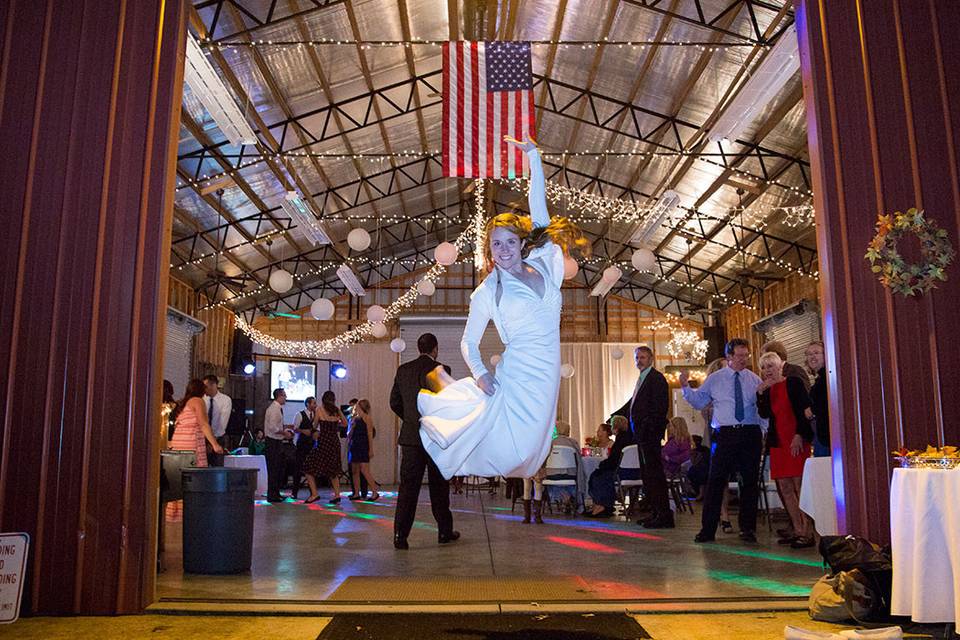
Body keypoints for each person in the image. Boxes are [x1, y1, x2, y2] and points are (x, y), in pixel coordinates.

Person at [416, 135, 590, 480]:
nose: (504, 249)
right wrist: (481, 375)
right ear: (489, 249)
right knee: (520, 449)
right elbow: (469, 342)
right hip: (521, 371)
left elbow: (539, 207)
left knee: (534, 446)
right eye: (497, 244)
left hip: (548, 369)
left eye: (510, 242)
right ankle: (457, 410)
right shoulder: (487, 291)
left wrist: (535, 159)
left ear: (522, 244)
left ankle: (451, 390)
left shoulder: (545, 263)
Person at [681, 338, 763, 544]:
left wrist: (764, 430)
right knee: (716, 481)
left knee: (749, 482)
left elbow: (761, 409)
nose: (743, 359)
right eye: (739, 356)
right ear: (729, 356)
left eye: (746, 355)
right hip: (725, 433)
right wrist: (685, 387)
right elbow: (699, 401)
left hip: (749, 432)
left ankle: (748, 528)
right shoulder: (716, 379)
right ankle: (707, 529)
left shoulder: (753, 379)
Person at [390, 333, 458, 550]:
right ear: (435, 349)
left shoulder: (403, 370)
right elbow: (447, 404)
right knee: (439, 486)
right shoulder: (441, 370)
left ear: (418, 348)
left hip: (411, 438)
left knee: (408, 489)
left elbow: (394, 402)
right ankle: (444, 532)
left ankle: (401, 536)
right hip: (435, 438)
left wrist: (411, 420)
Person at [757, 351, 815, 548]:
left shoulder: (793, 383)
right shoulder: (767, 390)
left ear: (780, 366)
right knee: (785, 487)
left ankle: (808, 531)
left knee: (799, 486)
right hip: (778, 442)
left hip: (795, 439)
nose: (767, 371)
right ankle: (797, 528)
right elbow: (764, 414)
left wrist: (799, 435)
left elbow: (804, 410)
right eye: (764, 368)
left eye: (770, 366)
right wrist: (761, 394)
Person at [612, 345, 672, 529]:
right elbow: (634, 405)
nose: (639, 361)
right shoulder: (642, 379)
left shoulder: (656, 379)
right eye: (637, 357)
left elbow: (659, 408)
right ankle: (655, 512)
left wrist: (647, 428)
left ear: (651, 359)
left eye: (643, 357)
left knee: (654, 475)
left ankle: (663, 515)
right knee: (648, 475)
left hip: (649, 435)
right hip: (642, 435)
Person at [166, 379, 225, 520]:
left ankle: (176, 513)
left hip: (178, 442)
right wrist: (215, 444)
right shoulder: (198, 401)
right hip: (191, 444)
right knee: (194, 478)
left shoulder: (183, 403)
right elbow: (204, 424)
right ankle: (192, 512)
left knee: (178, 479)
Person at [586, 416, 637, 518]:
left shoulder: (620, 441)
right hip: (635, 472)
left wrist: (602, 465)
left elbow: (614, 459)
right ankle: (603, 505)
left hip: (621, 471)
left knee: (596, 476)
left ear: (616, 427)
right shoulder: (630, 438)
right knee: (600, 474)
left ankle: (601, 505)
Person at [302, 390, 346, 505]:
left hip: (324, 441)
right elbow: (345, 423)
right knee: (333, 469)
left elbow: (315, 426)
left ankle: (314, 494)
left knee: (308, 467)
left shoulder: (319, 410)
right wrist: (336, 426)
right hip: (334, 442)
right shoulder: (337, 410)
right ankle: (337, 495)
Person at [264, 388, 295, 503]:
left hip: (276, 441)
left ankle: (275, 493)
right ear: (279, 396)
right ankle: (272, 495)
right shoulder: (274, 409)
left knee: (277, 469)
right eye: (284, 396)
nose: (286, 398)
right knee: (273, 469)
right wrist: (284, 433)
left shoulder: (277, 408)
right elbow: (273, 428)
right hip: (273, 442)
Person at [347, 399, 381, 501]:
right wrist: (352, 427)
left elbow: (370, 434)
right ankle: (356, 493)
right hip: (354, 445)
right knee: (354, 470)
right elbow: (348, 435)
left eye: (358, 406)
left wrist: (371, 449)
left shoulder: (367, 418)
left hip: (363, 445)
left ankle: (374, 491)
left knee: (364, 470)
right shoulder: (353, 419)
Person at [805, 341, 830, 457]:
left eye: (816, 353)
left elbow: (826, 401)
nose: (812, 357)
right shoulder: (820, 378)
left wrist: (812, 410)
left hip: (827, 435)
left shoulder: (827, 377)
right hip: (821, 433)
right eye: (809, 354)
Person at [203, 374, 232, 466]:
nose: (205, 389)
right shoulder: (202, 399)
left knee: (217, 466)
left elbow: (222, 423)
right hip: (202, 437)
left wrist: (213, 441)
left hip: (218, 438)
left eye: (206, 386)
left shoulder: (225, 400)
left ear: (214, 385)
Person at [293, 396, 317, 499]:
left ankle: (313, 492)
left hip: (313, 445)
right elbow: (295, 429)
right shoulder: (300, 415)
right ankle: (295, 492)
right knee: (298, 468)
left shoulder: (316, 415)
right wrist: (304, 431)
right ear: (308, 404)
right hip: (302, 445)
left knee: (312, 469)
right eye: (314, 403)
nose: (315, 405)